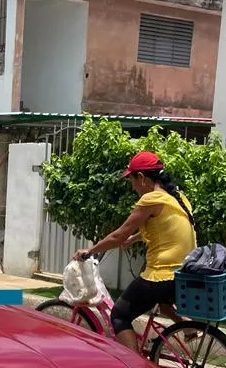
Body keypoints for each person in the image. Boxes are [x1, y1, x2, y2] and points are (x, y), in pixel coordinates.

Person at [74, 151, 197, 353]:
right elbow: (167, 228)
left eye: (131, 179)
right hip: (182, 272)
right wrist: (136, 238)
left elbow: (118, 235)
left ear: (141, 177)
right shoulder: (177, 197)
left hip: (162, 275)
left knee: (119, 316)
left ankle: (137, 367)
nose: (132, 186)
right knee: (163, 304)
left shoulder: (151, 199)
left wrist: (90, 250)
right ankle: (188, 327)